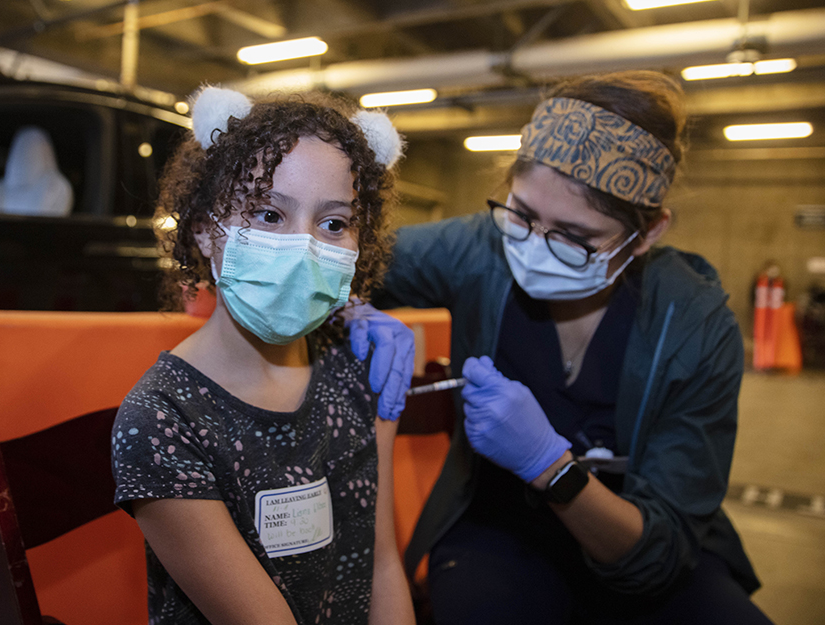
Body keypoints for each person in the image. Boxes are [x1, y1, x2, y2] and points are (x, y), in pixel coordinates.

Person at [353, 71, 774, 623]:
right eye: (523, 216)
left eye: (575, 238)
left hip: (633, 536)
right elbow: (345, 252)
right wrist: (347, 303)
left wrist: (549, 465)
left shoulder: (694, 323)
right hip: (500, 528)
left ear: (647, 234)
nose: (534, 248)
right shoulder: (480, 249)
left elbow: (658, 556)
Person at [110, 86, 415, 625]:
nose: (304, 248)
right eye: (269, 214)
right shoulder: (162, 419)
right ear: (204, 230)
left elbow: (382, 565)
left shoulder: (356, 368)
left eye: (334, 223)